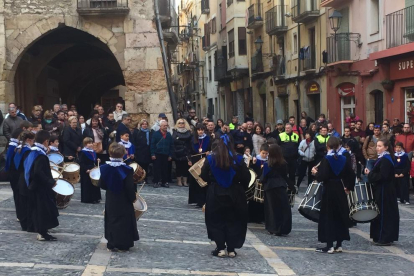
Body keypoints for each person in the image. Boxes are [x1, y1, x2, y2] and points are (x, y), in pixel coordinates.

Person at [199, 137, 250, 258]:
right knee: (234, 220)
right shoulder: (238, 158)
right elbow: (246, 176)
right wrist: (242, 188)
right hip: (235, 192)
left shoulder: (211, 158)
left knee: (216, 220)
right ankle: (231, 249)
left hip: (216, 192)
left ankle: (220, 248)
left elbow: (203, 175)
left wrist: (212, 183)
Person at [311, 137, 356, 253]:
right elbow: (351, 174)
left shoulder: (327, 159)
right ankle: (339, 244)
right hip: (340, 188)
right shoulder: (343, 158)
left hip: (329, 189)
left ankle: (329, 245)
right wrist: (349, 187)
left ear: (328, 146)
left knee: (328, 216)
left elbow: (323, 176)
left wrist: (316, 173)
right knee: (339, 215)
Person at [99, 143, 139, 252]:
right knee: (124, 220)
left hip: (111, 198)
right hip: (124, 199)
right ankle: (123, 244)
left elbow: (102, 185)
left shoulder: (104, 168)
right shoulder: (127, 169)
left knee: (111, 219)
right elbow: (129, 187)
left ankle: (111, 243)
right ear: (123, 154)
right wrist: (133, 198)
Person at [24, 130, 59, 241]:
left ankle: (42, 230)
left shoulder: (33, 151)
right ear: (45, 141)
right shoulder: (40, 155)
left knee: (39, 209)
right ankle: (42, 232)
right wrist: (50, 181)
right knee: (42, 209)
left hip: (34, 186)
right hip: (40, 187)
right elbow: (38, 172)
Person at [366, 139, 400, 246]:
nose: (377, 148)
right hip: (383, 189)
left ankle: (384, 237)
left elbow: (382, 176)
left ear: (386, 147)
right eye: (377, 146)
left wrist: (370, 174)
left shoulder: (385, 159)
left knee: (384, 213)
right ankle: (379, 236)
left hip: (384, 191)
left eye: (380, 146)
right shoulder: (383, 158)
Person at [261, 144, 296, 236]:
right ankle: (282, 228)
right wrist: (292, 186)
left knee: (271, 209)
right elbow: (285, 176)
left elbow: (263, 178)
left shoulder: (267, 164)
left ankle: (272, 228)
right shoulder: (283, 163)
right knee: (283, 208)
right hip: (280, 186)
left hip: (270, 187)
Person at [188, 123, 211, 207]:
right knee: (196, 180)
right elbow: (189, 151)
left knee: (204, 179)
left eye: (202, 130)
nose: (200, 131)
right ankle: (198, 200)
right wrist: (189, 159)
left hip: (205, 161)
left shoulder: (208, 139)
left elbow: (212, 148)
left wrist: (209, 152)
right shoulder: (193, 139)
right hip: (195, 161)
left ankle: (205, 200)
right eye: (199, 130)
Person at [5, 129, 23, 221]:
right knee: (17, 194)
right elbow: (10, 160)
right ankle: (19, 215)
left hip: (15, 172)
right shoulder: (13, 146)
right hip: (14, 173)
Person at [150, 120, 173, 188]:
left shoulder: (168, 134)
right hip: (157, 154)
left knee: (165, 169)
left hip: (165, 154)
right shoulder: (156, 134)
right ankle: (156, 181)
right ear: (160, 126)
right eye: (164, 126)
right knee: (157, 168)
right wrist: (152, 154)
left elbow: (171, 145)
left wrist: (170, 155)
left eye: (166, 125)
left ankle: (164, 181)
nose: (165, 127)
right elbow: (152, 144)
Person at [79, 137, 102, 204]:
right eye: (89, 143)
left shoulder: (93, 152)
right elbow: (81, 162)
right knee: (87, 184)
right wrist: (86, 169)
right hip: (86, 170)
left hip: (93, 169)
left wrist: (98, 160)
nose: (91, 144)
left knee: (94, 184)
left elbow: (94, 159)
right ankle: (88, 199)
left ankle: (95, 198)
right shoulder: (83, 152)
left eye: (91, 143)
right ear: (85, 144)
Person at [172, 119, 192, 187]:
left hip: (186, 151)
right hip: (178, 151)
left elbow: (189, 141)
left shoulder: (188, 132)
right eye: (179, 123)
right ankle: (179, 181)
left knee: (185, 167)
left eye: (182, 123)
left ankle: (185, 181)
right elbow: (174, 141)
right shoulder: (175, 131)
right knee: (179, 167)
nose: (181, 124)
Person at [132, 119, 152, 184]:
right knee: (140, 165)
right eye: (143, 124)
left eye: (145, 124)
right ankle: (140, 178)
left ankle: (146, 178)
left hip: (147, 151)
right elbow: (134, 142)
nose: (144, 125)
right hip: (139, 151)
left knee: (146, 166)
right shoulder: (137, 132)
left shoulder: (150, 132)